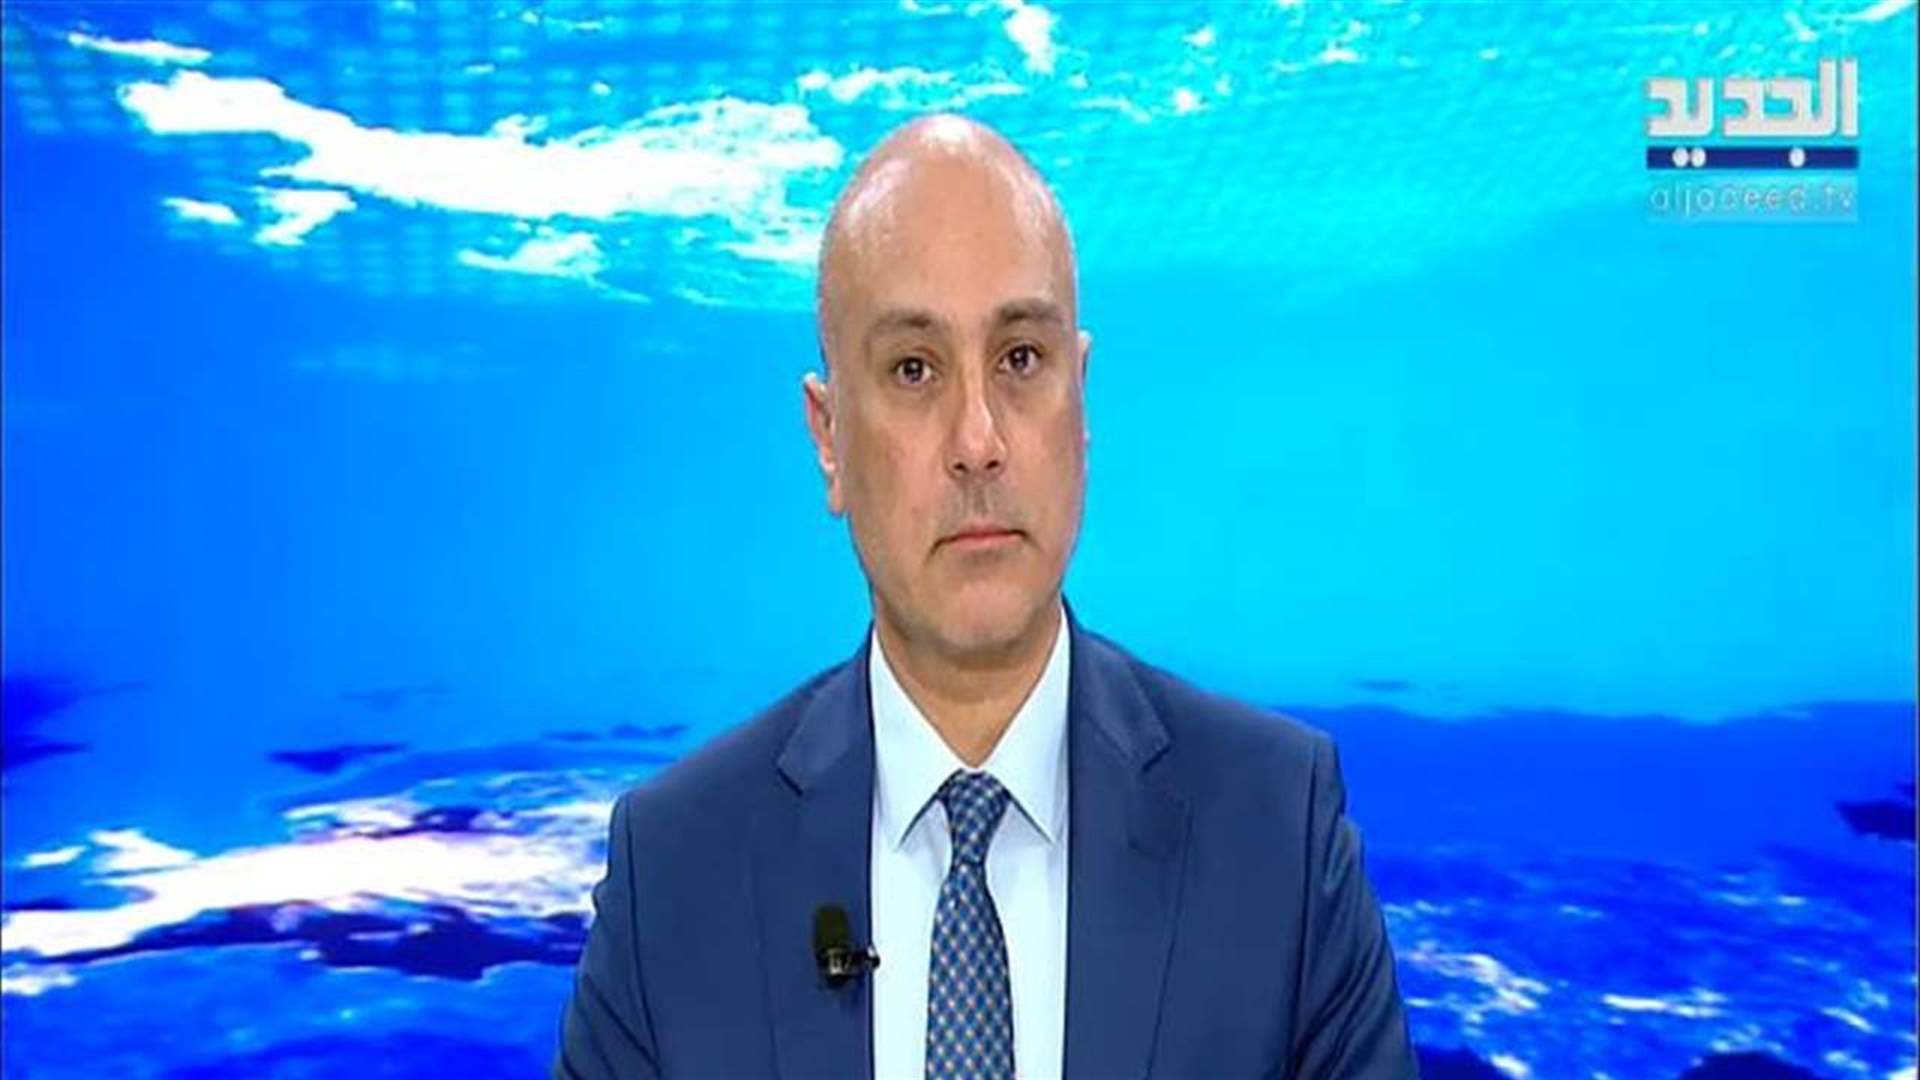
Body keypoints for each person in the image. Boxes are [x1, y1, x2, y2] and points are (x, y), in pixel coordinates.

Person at [554, 113, 1416, 1080]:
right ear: (829, 437)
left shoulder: (1278, 836)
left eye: (1020, 359)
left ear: (1080, 402)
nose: (978, 441)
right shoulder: (675, 876)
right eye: (914, 370)